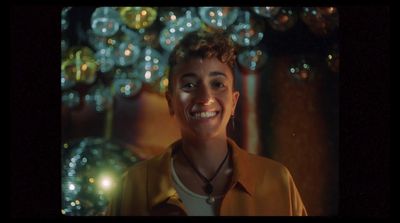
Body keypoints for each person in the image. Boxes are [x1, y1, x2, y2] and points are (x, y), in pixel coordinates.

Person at [106, 30, 307, 216]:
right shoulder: (133, 186)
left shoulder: (276, 180)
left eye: (217, 84)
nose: (205, 97)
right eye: (190, 85)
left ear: (234, 101)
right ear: (171, 102)